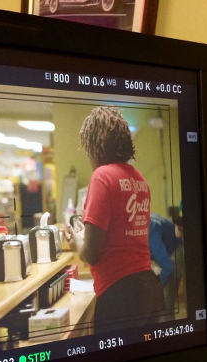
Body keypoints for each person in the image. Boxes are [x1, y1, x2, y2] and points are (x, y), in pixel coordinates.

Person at [63, 106, 164, 333]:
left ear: (95, 146)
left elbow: (91, 254)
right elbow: (127, 237)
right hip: (149, 288)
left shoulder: (102, 176)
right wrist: (88, 235)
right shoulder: (139, 180)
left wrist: (76, 241)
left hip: (120, 294)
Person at [149, 213, 184, 320]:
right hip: (167, 249)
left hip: (175, 250)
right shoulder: (144, 219)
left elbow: (168, 267)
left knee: (165, 305)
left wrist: (156, 287)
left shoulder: (151, 232)